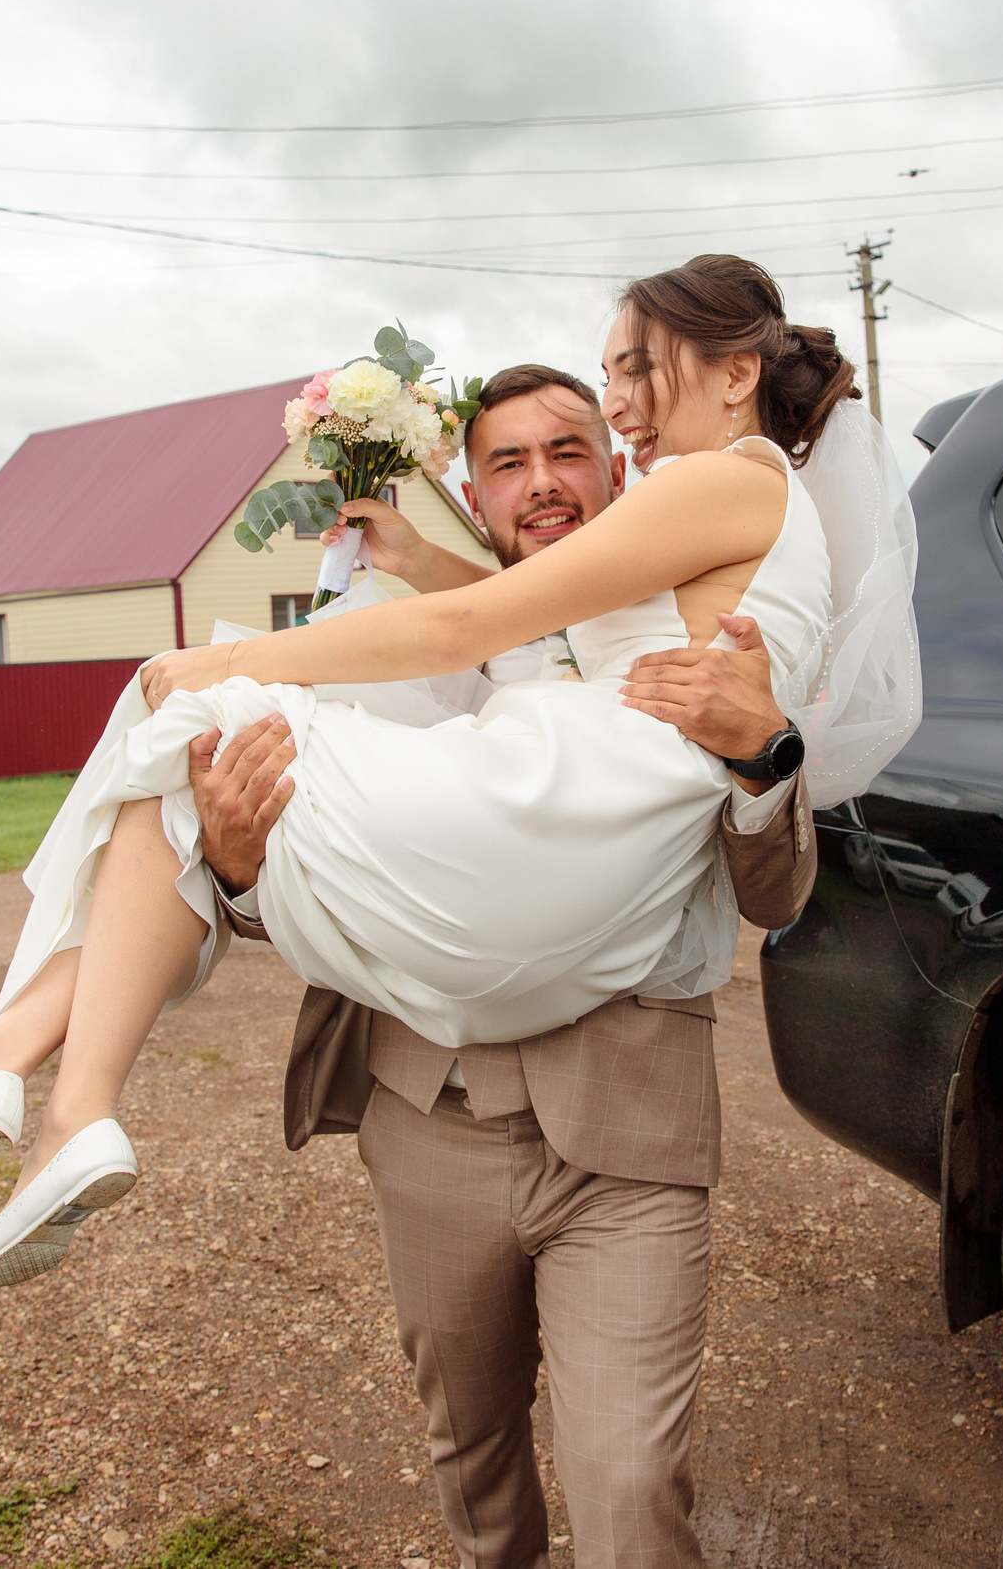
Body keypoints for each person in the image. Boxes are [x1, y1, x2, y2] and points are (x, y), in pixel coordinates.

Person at [0, 253, 919, 1298]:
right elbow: (552, 628)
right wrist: (415, 557)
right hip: (585, 860)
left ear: (733, 373)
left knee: (186, 705)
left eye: (636, 365)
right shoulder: (747, 505)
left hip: (548, 816)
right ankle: (27, 1084)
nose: (619, 391)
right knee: (195, 775)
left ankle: (49, 1087)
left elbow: (473, 628)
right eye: (613, 365)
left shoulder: (717, 481)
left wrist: (230, 656)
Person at [187, 361, 812, 1568]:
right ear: (472, 491)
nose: (543, 483)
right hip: (429, 1119)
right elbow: (315, 891)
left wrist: (763, 754)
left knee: (630, 1486)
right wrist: (236, 865)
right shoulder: (395, 655)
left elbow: (779, 892)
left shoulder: (704, 638)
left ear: (620, 471)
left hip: (625, 1140)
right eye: (509, 462)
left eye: (569, 451)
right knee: (470, 1454)